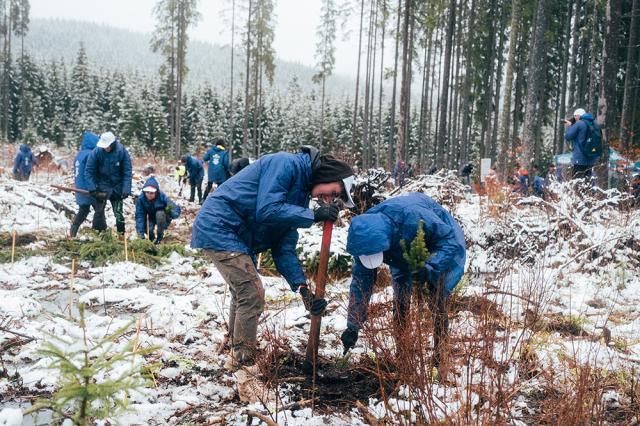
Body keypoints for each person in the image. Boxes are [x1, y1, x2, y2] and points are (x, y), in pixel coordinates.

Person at [191, 146, 356, 370]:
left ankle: (235, 349)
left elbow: (283, 249)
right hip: (221, 225)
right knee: (251, 292)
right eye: (334, 192)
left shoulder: (299, 195)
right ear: (329, 176)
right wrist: (312, 215)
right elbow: (267, 209)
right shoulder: (285, 164)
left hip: (237, 235)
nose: (329, 200)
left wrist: (302, 289)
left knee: (243, 292)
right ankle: (244, 363)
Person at [340, 192, 466, 372]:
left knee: (436, 297)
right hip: (399, 249)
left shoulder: (413, 217)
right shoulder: (364, 237)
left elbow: (449, 240)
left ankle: (440, 357)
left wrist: (430, 267)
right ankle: (403, 355)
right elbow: (361, 282)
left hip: (433, 242)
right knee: (400, 302)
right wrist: (353, 326)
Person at [84, 131, 132, 235]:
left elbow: (127, 172)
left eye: (107, 146)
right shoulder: (96, 152)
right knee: (99, 212)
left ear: (112, 144)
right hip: (101, 187)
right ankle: (98, 233)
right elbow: (89, 171)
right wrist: (92, 188)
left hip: (117, 188)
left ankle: (121, 234)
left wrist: (126, 189)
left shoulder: (122, 152)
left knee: (118, 213)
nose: (105, 148)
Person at [70, 132, 100, 237]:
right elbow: (91, 172)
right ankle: (99, 233)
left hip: (80, 187)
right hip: (89, 188)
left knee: (84, 210)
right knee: (99, 211)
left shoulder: (80, 154)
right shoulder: (91, 154)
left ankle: (73, 231)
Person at [135, 176, 181, 244]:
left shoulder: (161, 196)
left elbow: (172, 206)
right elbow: (139, 216)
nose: (149, 195)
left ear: (156, 192)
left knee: (160, 214)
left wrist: (174, 214)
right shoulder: (141, 199)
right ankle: (152, 240)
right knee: (149, 229)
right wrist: (140, 234)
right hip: (149, 218)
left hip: (161, 217)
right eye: (147, 192)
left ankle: (160, 236)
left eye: (151, 193)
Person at [564, 108, 601, 181]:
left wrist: (570, 126)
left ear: (579, 116)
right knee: (587, 181)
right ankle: (586, 192)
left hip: (580, 158)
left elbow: (568, 136)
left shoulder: (579, 123)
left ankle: (577, 192)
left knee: (576, 181)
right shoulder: (594, 123)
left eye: (575, 116)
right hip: (591, 158)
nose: (574, 118)